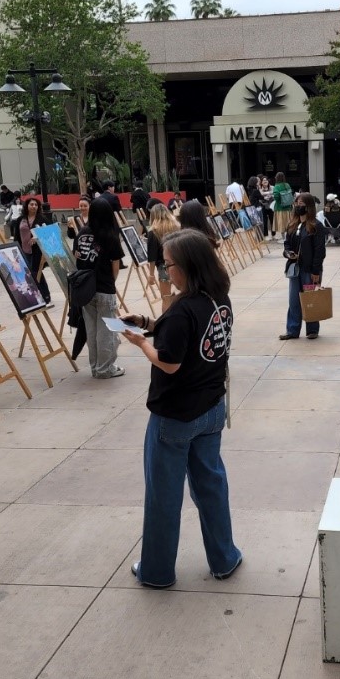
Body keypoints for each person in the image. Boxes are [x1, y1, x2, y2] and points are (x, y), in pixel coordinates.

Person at [118, 228, 241, 589]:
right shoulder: (218, 299)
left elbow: (169, 362)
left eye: (168, 265)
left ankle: (156, 571)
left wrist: (141, 343)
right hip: (212, 408)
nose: (164, 271)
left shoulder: (182, 309)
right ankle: (224, 558)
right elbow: (182, 336)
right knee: (211, 486)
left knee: (164, 495)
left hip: (175, 416)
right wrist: (146, 323)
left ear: (187, 267)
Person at [75, 197, 125, 379]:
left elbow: (77, 257)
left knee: (91, 330)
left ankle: (95, 367)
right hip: (104, 287)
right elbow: (115, 266)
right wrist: (111, 282)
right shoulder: (110, 235)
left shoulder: (82, 233)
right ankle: (105, 369)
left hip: (85, 290)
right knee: (106, 330)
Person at [279, 192, 326, 340]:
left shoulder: (316, 226)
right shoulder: (292, 224)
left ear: (309, 206)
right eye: (296, 204)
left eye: (301, 204)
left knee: (310, 299)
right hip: (294, 268)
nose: (298, 207)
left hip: (309, 270)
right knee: (294, 300)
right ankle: (292, 330)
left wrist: (315, 271)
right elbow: (287, 244)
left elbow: (319, 251)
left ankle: (312, 329)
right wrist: (288, 253)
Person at [16, 196, 52, 305]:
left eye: (36, 205)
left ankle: (46, 296)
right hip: (24, 250)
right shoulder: (20, 219)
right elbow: (16, 235)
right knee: (29, 273)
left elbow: (49, 232)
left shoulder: (42, 219)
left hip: (37, 251)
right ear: (27, 206)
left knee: (37, 272)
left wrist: (37, 237)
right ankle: (37, 294)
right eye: (31, 204)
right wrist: (15, 249)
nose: (34, 206)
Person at [144, 203, 181, 303]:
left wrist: (151, 274)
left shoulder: (154, 231)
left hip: (164, 266)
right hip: (180, 263)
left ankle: (169, 313)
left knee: (166, 298)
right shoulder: (176, 226)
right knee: (182, 295)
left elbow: (152, 255)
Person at [271, 171, 294, 236]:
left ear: (277, 178)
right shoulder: (287, 185)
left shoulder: (277, 186)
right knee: (288, 222)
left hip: (280, 207)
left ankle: (283, 237)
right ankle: (288, 236)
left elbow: (276, 196)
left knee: (281, 224)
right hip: (288, 207)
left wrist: (275, 198)